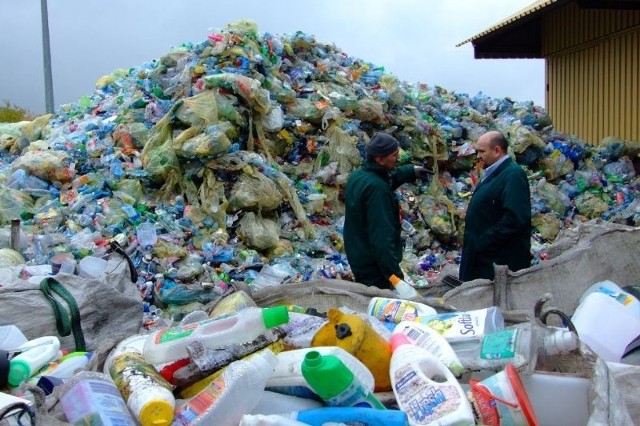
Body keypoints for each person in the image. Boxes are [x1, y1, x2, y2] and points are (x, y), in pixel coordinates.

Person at [343, 132, 430, 289]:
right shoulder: (377, 190)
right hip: (374, 266)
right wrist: (395, 278)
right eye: (394, 155)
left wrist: (410, 171)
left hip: (358, 254)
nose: (398, 158)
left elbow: (388, 177)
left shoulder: (359, 176)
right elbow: (381, 238)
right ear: (380, 159)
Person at [459, 130, 532, 281]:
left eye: (482, 151)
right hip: (482, 260)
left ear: (497, 150)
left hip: (496, 265)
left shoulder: (513, 175)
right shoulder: (494, 172)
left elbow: (515, 219)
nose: (478, 156)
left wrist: (483, 242)